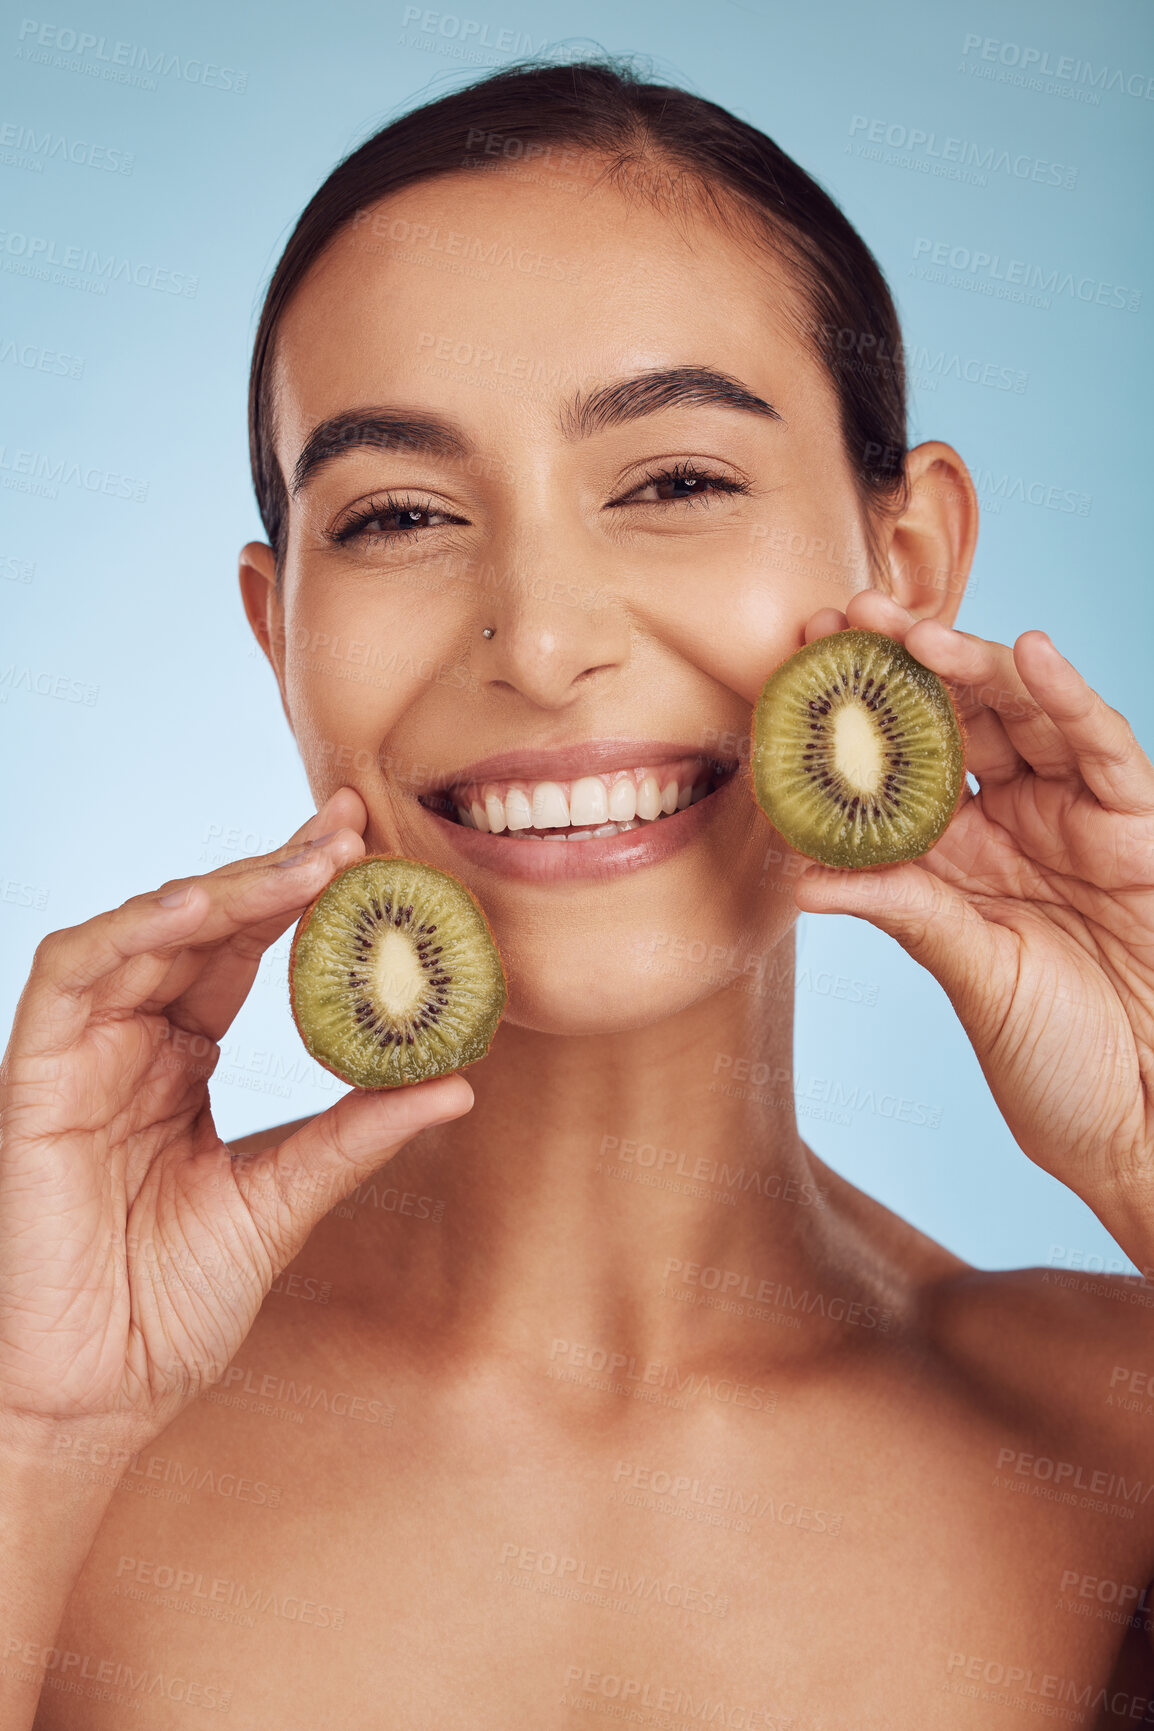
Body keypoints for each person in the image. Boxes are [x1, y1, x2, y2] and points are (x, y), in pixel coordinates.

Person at [4, 55, 1154, 1729]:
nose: (540, 641)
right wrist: (33, 1441)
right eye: (399, 514)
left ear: (901, 564)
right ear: (279, 635)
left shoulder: (1111, 1435)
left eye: (675, 483)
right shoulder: (51, 1408)